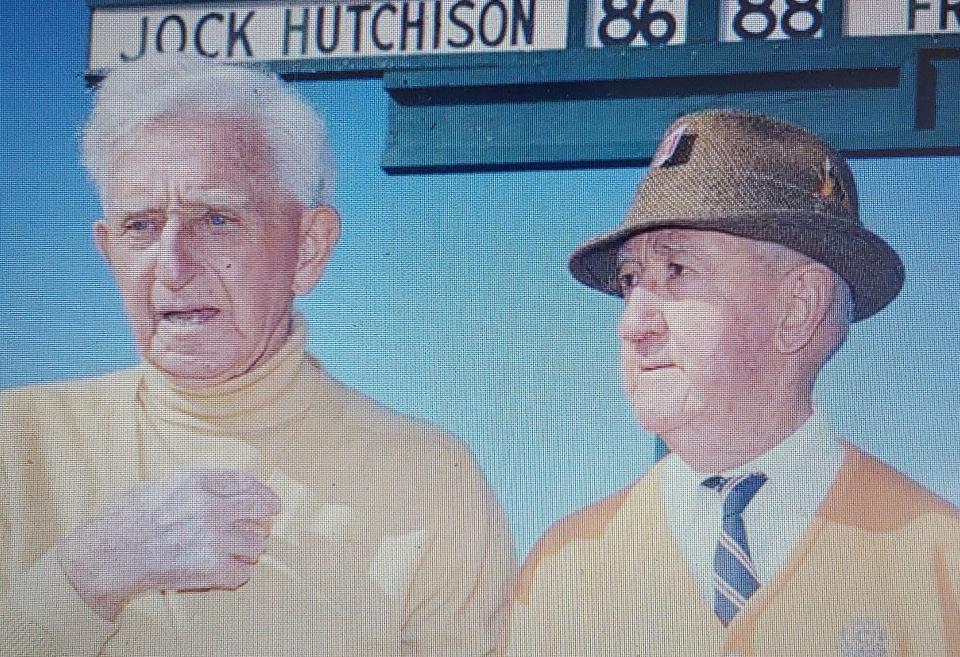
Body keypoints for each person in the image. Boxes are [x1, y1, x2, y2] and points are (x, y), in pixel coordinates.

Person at [0, 55, 515, 657]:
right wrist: (88, 576)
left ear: (309, 246)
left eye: (216, 220)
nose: (172, 264)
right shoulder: (16, 440)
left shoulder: (429, 475)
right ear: (107, 249)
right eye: (140, 226)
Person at [503, 110, 960, 657]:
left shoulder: (940, 564)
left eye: (678, 273)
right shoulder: (563, 569)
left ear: (799, 308)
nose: (633, 324)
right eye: (630, 283)